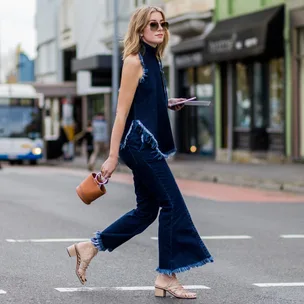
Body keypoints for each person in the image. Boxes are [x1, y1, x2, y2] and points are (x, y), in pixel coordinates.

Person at [66, 6, 213, 300]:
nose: (160, 28)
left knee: (147, 210)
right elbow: (121, 113)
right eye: (153, 24)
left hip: (144, 143)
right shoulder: (134, 61)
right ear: (140, 29)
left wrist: (168, 103)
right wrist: (111, 156)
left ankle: (90, 246)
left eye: (163, 24)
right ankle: (166, 275)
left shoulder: (154, 60)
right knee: (172, 203)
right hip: (138, 144)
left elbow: (142, 102)